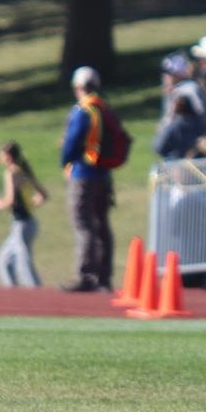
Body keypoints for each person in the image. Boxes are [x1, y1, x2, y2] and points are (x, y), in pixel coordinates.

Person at [60, 65, 117, 291]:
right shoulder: (104, 109)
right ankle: (104, 275)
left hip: (83, 174)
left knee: (83, 224)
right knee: (102, 223)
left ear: (78, 87)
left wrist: (65, 161)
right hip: (104, 174)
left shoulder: (83, 111)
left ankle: (86, 275)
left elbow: (71, 143)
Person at [0, 141, 48, 287]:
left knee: (23, 265)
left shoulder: (11, 173)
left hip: (21, 225)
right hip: (29, 224)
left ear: (8, 157)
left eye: (1, 155)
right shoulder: (24, 170)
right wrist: (31, 203)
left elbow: (10, 200)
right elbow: (43, 195)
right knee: (4, 260)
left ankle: (37, 297)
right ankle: (14, 295)